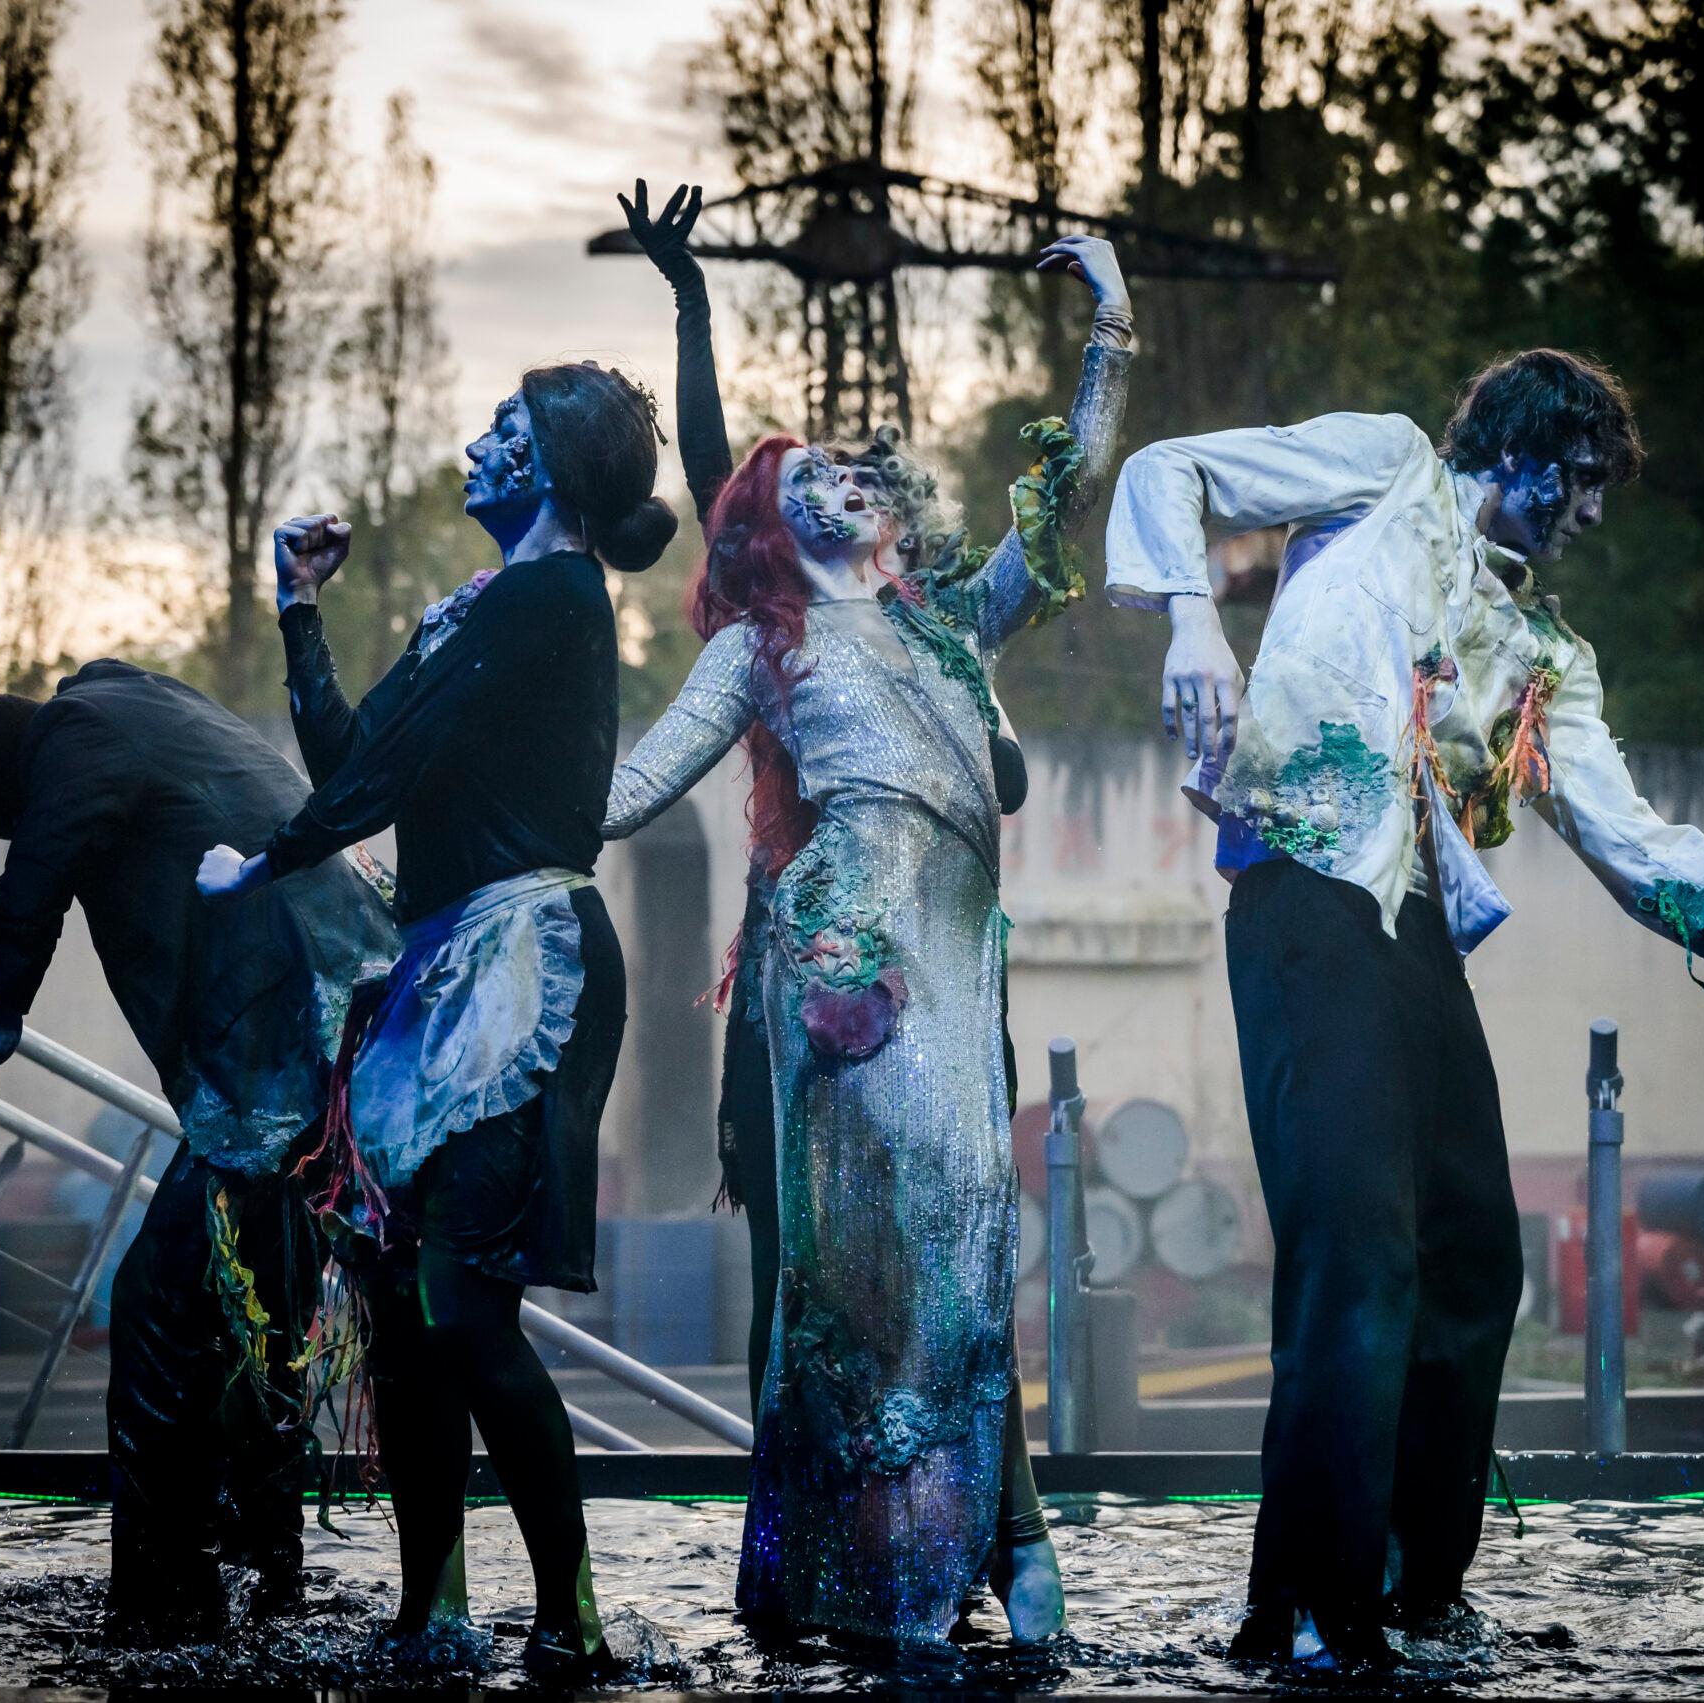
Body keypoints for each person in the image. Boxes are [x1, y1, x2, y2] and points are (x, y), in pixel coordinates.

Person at [1103, 349, 1704, 1670]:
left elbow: (1627, 833)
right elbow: (1168, 467)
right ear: (1526, 446)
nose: (1592, 512)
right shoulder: (1387, 467)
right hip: (1310, 896)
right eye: (1585, 478)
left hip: (1418, 934)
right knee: (1355, 1253)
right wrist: (1193, 622)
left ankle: (1421, 1586)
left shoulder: (1541, 653)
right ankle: (1309, 1600)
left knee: (1475, 1259)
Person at [602, 201, 1133, 1653]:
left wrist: (1111, 328)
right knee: (856, 1271)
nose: (831, 477)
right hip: (842, 961)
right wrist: (497, 836)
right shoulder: (758, 640)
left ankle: (936, 1554)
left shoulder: (956, 624)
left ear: (894, 509)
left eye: (853, 468)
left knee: (959, 1250)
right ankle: (901, 1575)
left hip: (965, 973)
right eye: (803, 478)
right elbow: (645, 775)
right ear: (779, 522)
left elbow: (1067, 496)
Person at [194, 360, 672, 1676]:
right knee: (405, 1314)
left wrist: (274, 859)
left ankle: (567, 1609)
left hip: (528, 964)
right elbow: (361, 759)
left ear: (553, 468)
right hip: (437, 970)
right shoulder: (477, 606)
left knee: (463, 1305)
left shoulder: (555, 595)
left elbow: (375, 777)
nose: (472, 444)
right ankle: (431, 1606)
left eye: (503, 431)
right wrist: (300, 613)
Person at [0, 665, 400, 1642]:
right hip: (342, 1019)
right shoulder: (135, 694)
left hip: (285, 1052)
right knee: (249, 1316)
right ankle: (267, 1587)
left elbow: (30, 898)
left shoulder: (73, 739)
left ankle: (161, 1605)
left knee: (156, 1307)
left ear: (12, 781)